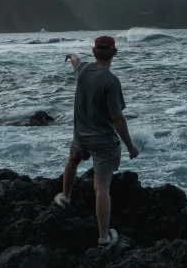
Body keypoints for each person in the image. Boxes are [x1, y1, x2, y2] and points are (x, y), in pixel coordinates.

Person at [54, 35, 139, 247]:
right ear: (114, 53)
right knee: (102, 186)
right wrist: (130, 146)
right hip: (103, 142)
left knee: (73, 160)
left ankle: (65, 197)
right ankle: (103, 238)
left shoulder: (83, 70)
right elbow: (117, 118)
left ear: (94, 52)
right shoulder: (110, 81)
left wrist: (71, 55)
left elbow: (76, 60)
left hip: (80, 136)